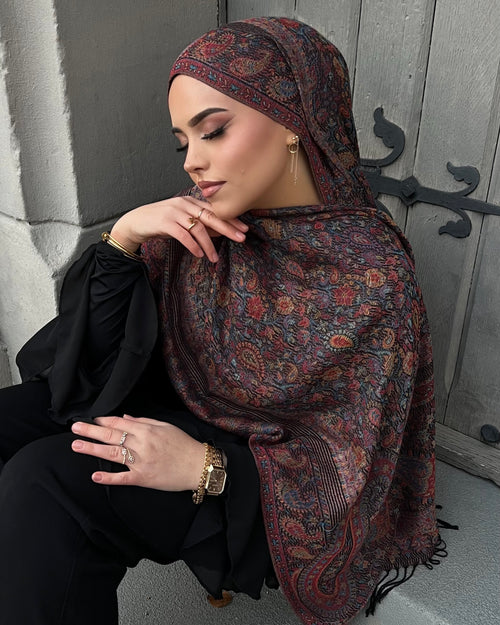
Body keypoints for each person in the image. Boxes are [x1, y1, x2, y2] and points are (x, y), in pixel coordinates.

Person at [0, 16, 441, 625]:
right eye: (183, 143)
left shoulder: (373, 274)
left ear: (292, 121)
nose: (192, 163)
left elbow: (354, 469)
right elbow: (93, 363)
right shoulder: (199, 228)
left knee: (43, 483)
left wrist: (205, 467)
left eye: (212, 132)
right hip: (170, 411)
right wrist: (124, 239)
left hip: (252, 482)